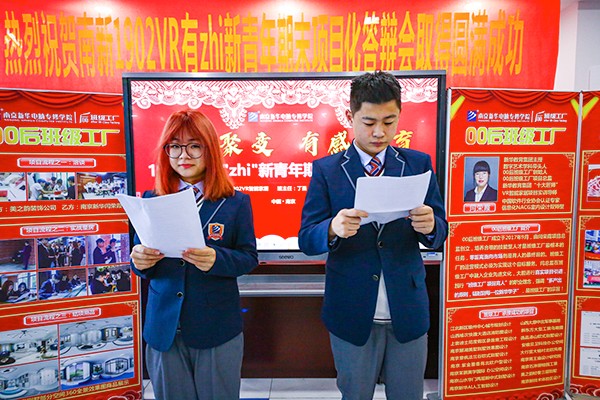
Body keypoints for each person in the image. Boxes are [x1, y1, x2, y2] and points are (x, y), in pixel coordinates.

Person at [298, 71, 448, 400]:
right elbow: (307, 238)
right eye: (369, 122)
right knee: (355, 394)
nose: (379, 132)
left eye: (389, 121)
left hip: (406, 308)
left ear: (399, 117)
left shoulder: (417, 164)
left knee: (408, 395)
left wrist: (431, 226)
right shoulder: (327, 170)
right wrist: (332, 228)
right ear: (350, 116)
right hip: (351, 309)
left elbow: (440, 230)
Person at [130, 109, 258, 400]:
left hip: (215, 327)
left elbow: (248, 257)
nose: (183, 155)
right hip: (164, 327)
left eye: (194, 146)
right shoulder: (151, 199)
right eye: (175, 146)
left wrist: (216, 259)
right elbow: (141, 261)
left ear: (209, 149)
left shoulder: (235, 202)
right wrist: (139, 260)